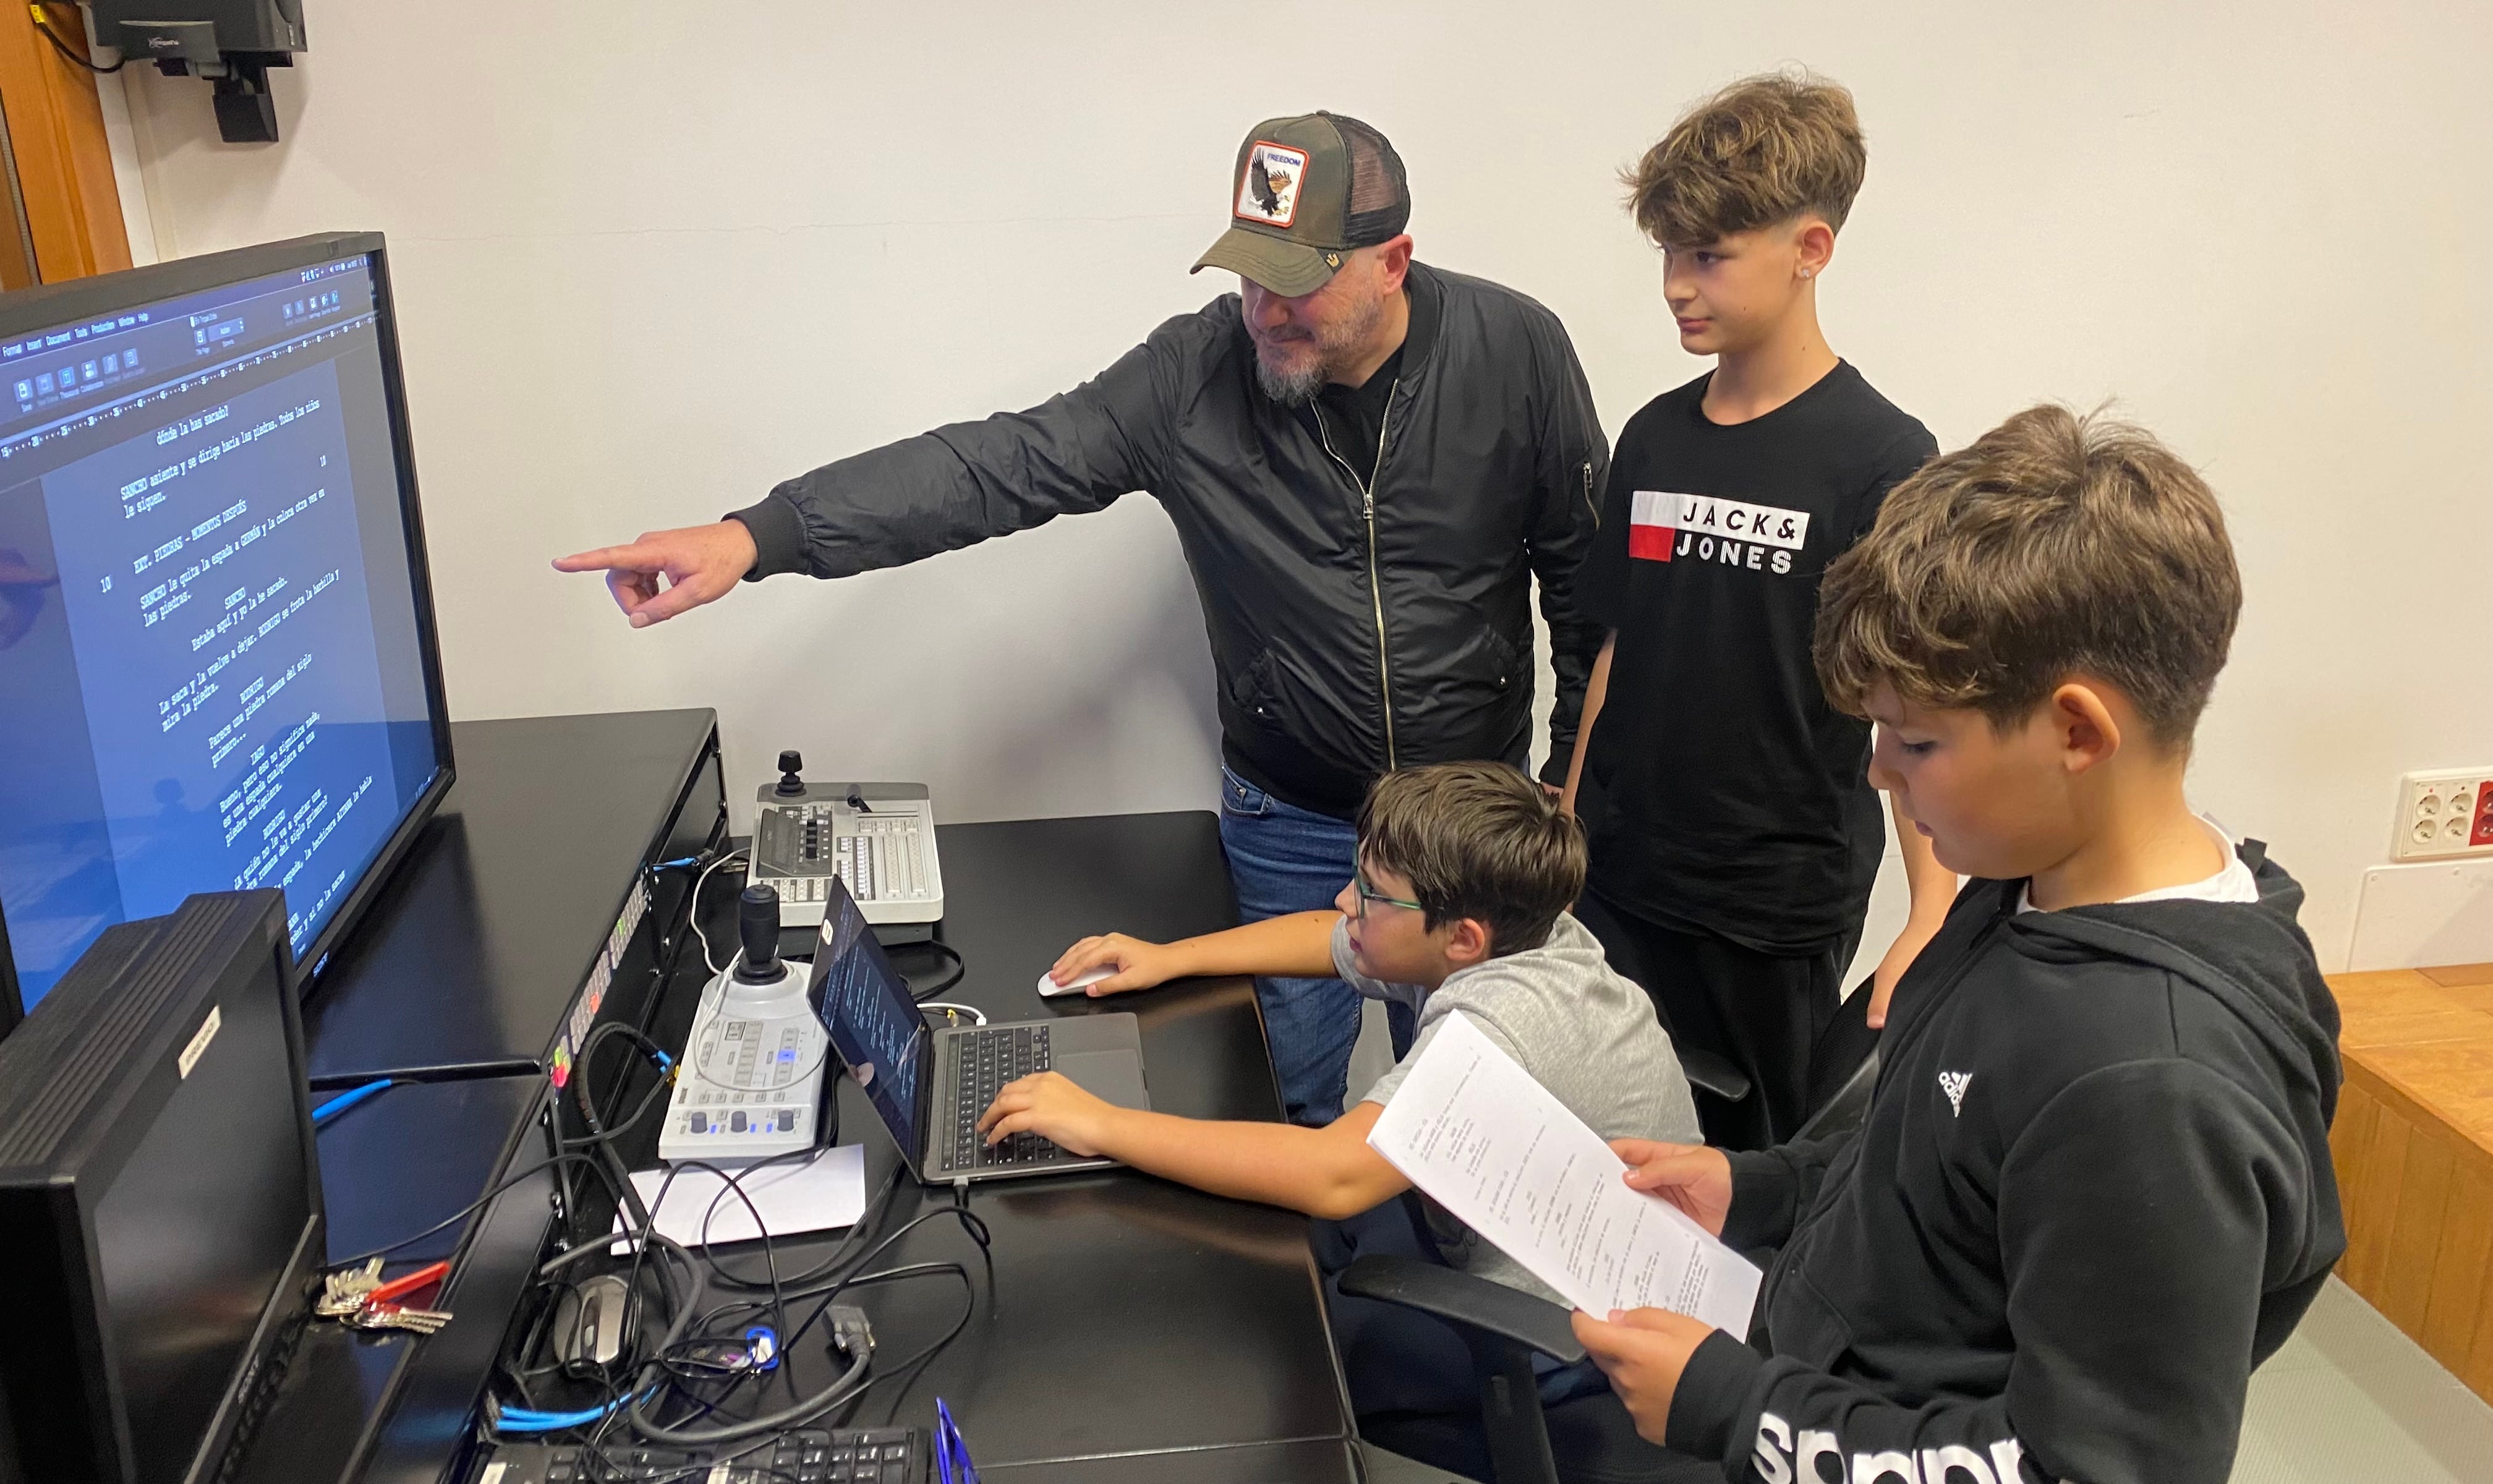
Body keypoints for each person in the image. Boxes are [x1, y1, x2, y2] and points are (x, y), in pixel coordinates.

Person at [554, 113, 1609, 1130]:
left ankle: (1455, 1297)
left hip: (1469, 827)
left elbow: (1583, 586)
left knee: (1485, 1120)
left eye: (1299, 284)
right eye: (1248, 275)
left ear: (1392, 260)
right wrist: (762, 535)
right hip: (1291, 815)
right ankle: (1334, 1298)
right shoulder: (1191, 378)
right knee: (1284, 1100)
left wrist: (1565, 789)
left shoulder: (1513, 351)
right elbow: (995, 465)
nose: (1263, 311)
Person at [1570, 407, 2345, 1484]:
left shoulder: (2152, 1088)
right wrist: (1761, 1189)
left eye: (1917, 741)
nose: (1880, 774)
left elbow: (2080, 1468)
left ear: (2076, 732)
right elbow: (1932, 1148)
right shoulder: (2026, 883)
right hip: (1823, 1363)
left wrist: (1738, 1413)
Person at [981, 761, 1700, 1421]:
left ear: (1463, 939)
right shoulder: (1522, 932)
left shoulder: (1503, 1024)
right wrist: (1169, 958)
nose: (1343, 899)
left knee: (1273, 1360)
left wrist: (1101, 1125)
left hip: (1574, 1339)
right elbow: (1332, 937)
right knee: (1270, 1256)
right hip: (1510, 1231)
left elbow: (1330, 1176)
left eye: (1370, 894)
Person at [1558, 72, 1955, 1151]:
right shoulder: (1652, 437)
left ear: (1809, 248)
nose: (1677, 287)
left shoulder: (1880, 457)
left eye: (1708, 256)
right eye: (1670, 257)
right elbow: (1615, 647)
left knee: (1739, 1173)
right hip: (1622, 874)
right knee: (1603, 1136)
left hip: (1771, 901)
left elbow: (1912, 698)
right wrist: (1566, 814)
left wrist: (1932, 906)